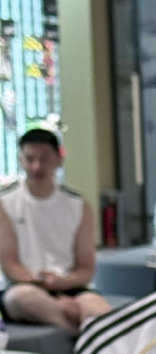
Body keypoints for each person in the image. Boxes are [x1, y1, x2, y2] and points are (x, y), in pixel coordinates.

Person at [0, 127, 111, 334]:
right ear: (20, 160)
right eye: (29, 159)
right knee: (23, 299)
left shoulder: (78, 205)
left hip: (69, 284)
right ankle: (79, 331)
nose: (36, 166)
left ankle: (83, 326)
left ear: (59, 159)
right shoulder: (5, 203)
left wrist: (63, 283)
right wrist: (45, 287)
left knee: (100, 311)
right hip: (25, 285)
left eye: (44, 159)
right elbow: (10, 264)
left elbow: (86, 267)